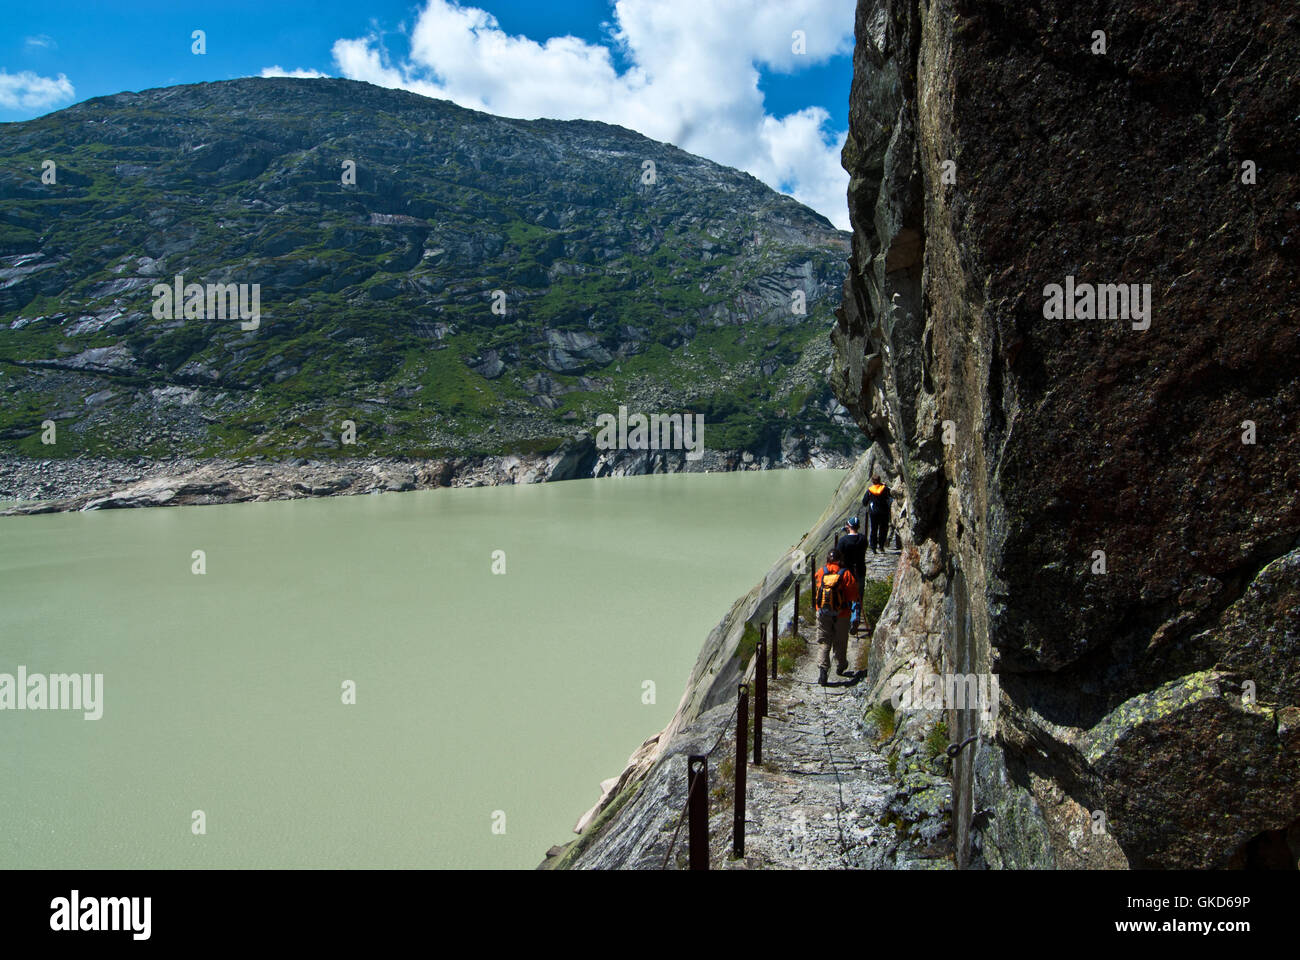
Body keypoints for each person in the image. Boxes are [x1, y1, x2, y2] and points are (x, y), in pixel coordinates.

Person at [813, 549, 859, 685]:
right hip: (842, 614)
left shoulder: (822, 571)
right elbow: (853, 596)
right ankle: (841, 665)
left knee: (824, 641)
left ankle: (823, 669)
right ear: (840, 560)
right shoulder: (846, 574)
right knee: (840, 641)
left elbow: (818, 586)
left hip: (823, 613)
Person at [835, 517, 868, 634]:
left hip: (847, 573)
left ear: (848, 526)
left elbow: (838, 556)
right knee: (858, 596)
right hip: (860, 570)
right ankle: (856, 617)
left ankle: (848, 618)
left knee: (847, 596)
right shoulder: (863, 539)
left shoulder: (843, 541)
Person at [863, 475, 892, 554]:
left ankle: (873, 547)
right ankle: (881, 546)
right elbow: (891, 496)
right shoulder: (885, 489)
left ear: (872, 481)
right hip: (884, 512)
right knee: (883, 529)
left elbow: (864, 502)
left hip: (873, 513)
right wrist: (885, 485)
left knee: (874, 529)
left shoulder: (870, 490)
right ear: (880, 480)